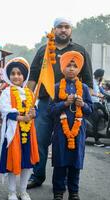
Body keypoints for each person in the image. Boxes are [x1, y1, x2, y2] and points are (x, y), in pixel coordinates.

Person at [27, 17, 93, 189]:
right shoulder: (44, 50)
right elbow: (33, 76)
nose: (63, 30)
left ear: (71, 30)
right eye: (60, 27)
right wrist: (27, 101)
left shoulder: (80, 51)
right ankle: (37, 175)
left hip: (70, 107)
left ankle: (63, 181)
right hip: (45, 103)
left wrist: (85, 105)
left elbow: (88, 80)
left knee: (66, 143)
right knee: (40, 140)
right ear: (53, 29)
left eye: (67, 27)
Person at [48, 51, 93, 200]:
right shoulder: (56, 87)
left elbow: (90, 110)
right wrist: (65, 103)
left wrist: (83, 104)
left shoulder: (84, 88)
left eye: (75, 66)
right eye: (68, 65)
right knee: (60, 163)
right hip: (60, 132)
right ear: (62, 67)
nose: (71, 69)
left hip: (78, 131)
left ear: (79, 69)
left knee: (75, 163)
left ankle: (74, 193)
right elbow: (50, 110)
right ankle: (58, 193)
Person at [0, 57, 39, 200]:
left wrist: (33, 114)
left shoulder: (30, 93)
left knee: (27, 163)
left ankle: (23, 191)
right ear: (9, 76)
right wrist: (22, 118)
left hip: (28, 133)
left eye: (19, 73)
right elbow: (4, 109)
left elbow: (35, 110)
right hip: (13, 133)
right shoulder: (6, 92)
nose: (16, 76)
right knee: (12, 162)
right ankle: (11, 192)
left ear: (24, 76)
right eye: (13, 73)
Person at [91, 68, 107, 147]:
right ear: (100, 76)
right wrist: (99, 95)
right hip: (93, 104)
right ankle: (96, 140)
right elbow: (90, 92)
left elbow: (103, 92)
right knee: (96, 119)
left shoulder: (97, 83)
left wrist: (105, 95)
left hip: (97, 103)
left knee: (106, 114)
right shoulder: (92, 82)